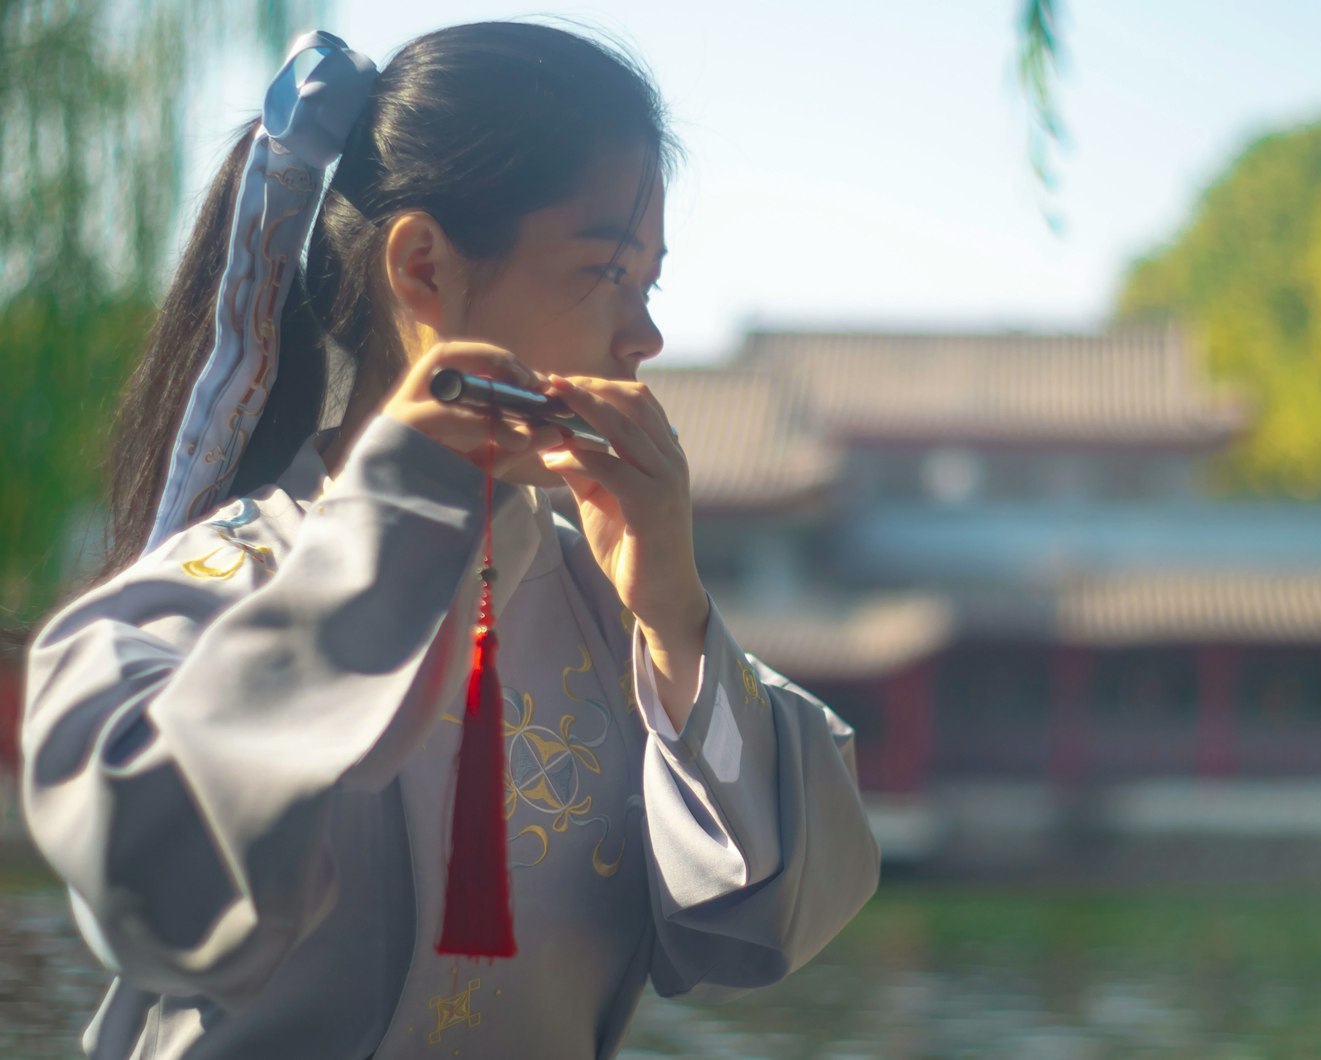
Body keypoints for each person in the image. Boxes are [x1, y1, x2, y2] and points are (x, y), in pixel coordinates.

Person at [21, 22, 879, 1059]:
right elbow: (155, 889)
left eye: (648, 282)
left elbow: (752, 927)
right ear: (424, 267)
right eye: (607, 270)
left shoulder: (616, 616)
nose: (644, 336)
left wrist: (678, 618)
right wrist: (399, 518)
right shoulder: (215, 583)